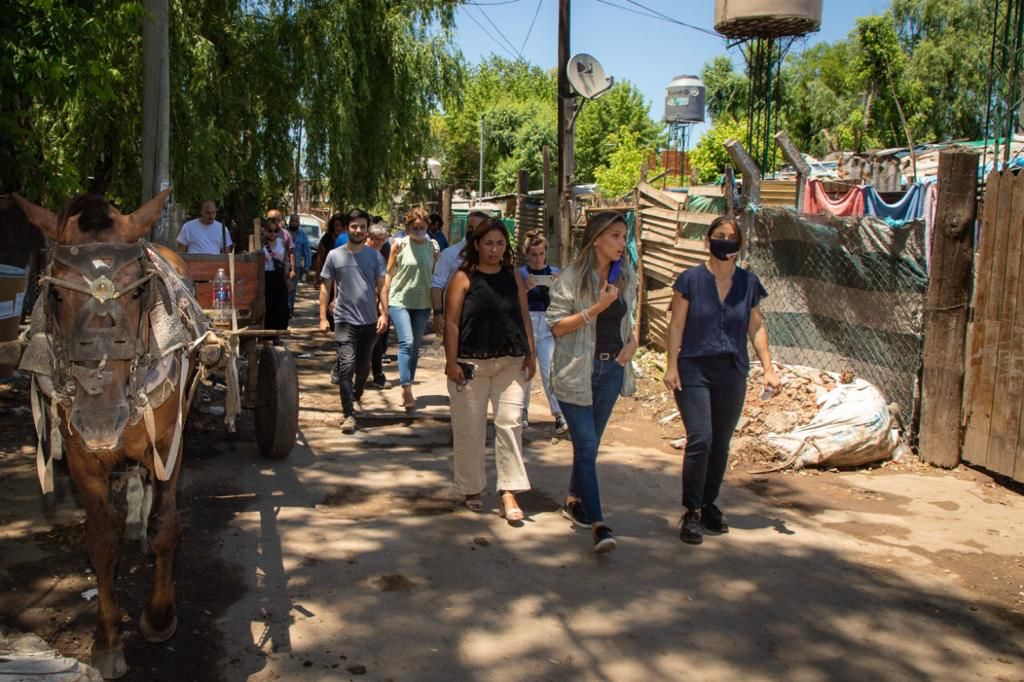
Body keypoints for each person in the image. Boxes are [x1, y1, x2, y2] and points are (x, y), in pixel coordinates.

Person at [663, 215, 780, 545]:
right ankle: (691, 511)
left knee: (721, 443)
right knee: (701, 437)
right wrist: (671, 365)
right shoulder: (690, 280)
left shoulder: (748, 283)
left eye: (731, 237)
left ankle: (708, 503)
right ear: (707, 241)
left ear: (739, 245)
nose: (725, 241)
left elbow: (755, 326)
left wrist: (768, 367)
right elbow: (676, 326)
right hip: (693, 367)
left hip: (732, 370)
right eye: (719, 235)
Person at [547, 211, 640, 554]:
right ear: (597, 238)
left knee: (590, 445)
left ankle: (573, 499)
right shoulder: (571, 277)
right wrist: (596, 308)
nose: (621, 243)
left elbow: (629, 315)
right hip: (575, 371)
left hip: (611, 370)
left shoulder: (624, 274)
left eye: (623, 235)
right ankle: (600, 524)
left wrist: (631, 343)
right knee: (586, 446)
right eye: (615, 235)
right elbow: (556, 327)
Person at [444, 217, 536, 521]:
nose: (495, 249)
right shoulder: (463, 277)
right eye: (488, 243)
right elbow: (452, 322)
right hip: (470, 365)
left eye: (500, 243)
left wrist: (531, 354)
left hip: (510, 361)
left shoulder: (513, 277)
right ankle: (471, 487)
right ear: (476, 245)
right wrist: (451, 361)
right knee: (469, 428)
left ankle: (509, 491)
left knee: (510, 423)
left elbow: (524, 316)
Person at [319, 208, 388, 434]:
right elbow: (325, 286)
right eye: (354, 226)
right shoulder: (334, 255)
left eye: (362, 227)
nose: (358, 230)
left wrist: (384, 314)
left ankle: (356, 397)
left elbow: (382, 286)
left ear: (367, 230)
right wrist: (322, 317)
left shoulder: (375, 257)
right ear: (347, 228)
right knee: (346, 366)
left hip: (369, 321)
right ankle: (348, 414)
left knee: (363, 366)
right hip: (344, 320)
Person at [386, 207, 439, 411]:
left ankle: (408, 383)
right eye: (414, 227)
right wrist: (382, 303)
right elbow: (389, 273)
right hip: (399, 301)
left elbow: (436, 276)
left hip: (423, 304)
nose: (418, 231)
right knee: (406, 342)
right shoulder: (398, 245)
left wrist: (437, 307)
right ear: (408, 227)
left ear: (428, 227)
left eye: (422, 227)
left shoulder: (433, 247)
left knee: (415, 346)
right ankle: (406, 387)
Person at [517, 230, 567, 434]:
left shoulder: (554, 271)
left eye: (540, 253)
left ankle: (558, 414)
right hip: (527, 321)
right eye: (533, 254)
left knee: (548, 371)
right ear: (527, 255)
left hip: (546, 324)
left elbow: (564, 300)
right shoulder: (521, 274)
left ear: (546, 252)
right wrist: (526, 287)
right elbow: (515, 300)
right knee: (525, 370)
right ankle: (522, 411)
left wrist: (556, 286)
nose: (538, 259)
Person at [430, 210, 488, 335]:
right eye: (470, 227)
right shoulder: (449, 254)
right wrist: (437, 313)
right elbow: (436, 285)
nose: (472, 231)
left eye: (477, 228)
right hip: (456, 321)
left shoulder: (492, 257)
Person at [367, 223, 392, 388]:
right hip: (354, 305)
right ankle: (340, 369)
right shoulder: (355, 253)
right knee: (351, 342)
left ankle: (377, 375)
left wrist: (384, 309)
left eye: (383, 241)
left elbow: (382, 285)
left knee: (375, 341)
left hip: (373, 306)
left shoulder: (379, 258)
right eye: (379, 240)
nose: (381, 243)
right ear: (370, 239)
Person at [261, 218, 290, 331]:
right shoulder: (260, 243)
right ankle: (268, 337)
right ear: (265, 230)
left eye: (275, 230)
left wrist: (287, 278)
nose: (273, 233)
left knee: (282, 309)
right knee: (269, 308)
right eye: (270, 230)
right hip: (265, 278)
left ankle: (279, 334)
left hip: (279, 277)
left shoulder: (281, 242)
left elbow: (285, 261)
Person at [287, 213, 312, 316]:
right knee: (283, 288)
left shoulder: (302, 235)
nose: (293, 222)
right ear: (289, 222)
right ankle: (284, 307)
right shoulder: (284, 233)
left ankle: (290, 308)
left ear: (299, 222)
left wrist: (307, 266)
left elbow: (307, 251)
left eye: (296, 221)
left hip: (296, 266)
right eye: (292, 220)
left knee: (292, 289)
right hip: (283, 266)